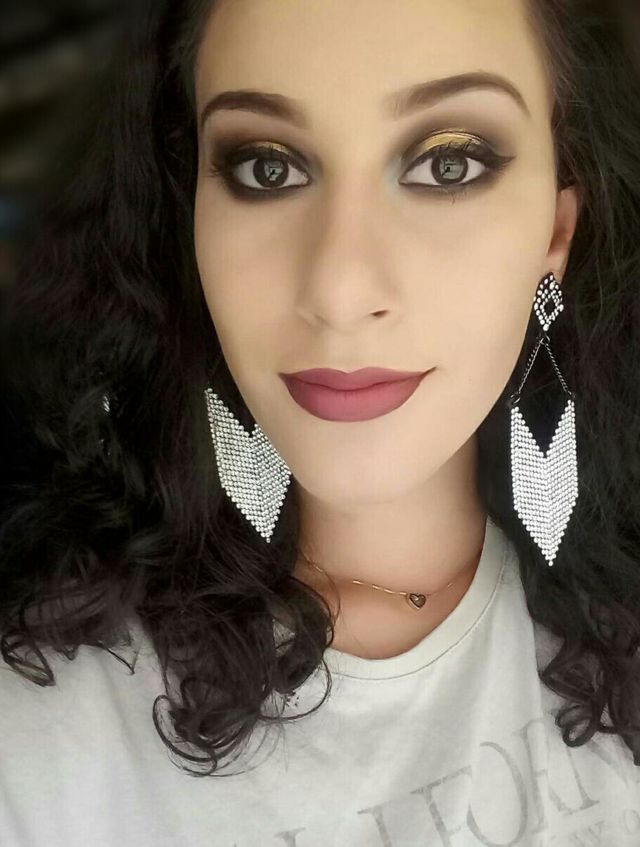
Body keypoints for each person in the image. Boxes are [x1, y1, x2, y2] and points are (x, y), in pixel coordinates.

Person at [0, 0, 639, 843]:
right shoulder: (37, 729)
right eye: (267, 168)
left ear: (555, 230)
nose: (339, 289)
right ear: (192, 218)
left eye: (447, 164)